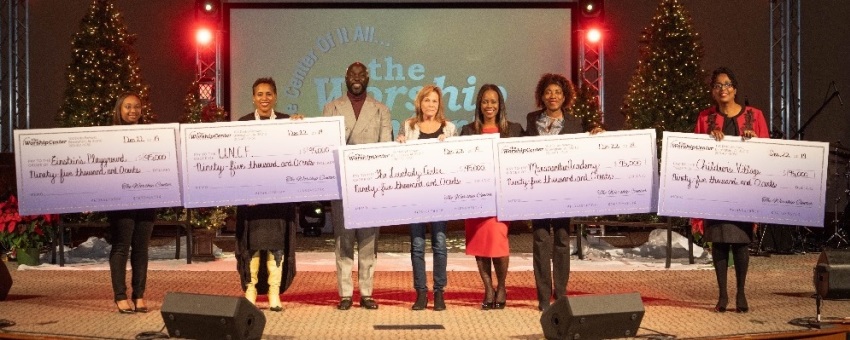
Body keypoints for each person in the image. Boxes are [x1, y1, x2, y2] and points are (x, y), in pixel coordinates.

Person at [524, 73, 604, 311]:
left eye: (557, 92)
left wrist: (596, 135)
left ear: (565, 96)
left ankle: (560, 295)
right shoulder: (531, 120)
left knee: (560, 240)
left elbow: (585, 150)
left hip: (564, 191)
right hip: (537, 189)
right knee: (540, 241)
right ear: (542, 95)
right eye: (548, 92)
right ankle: (542, 297)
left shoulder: (575, 123)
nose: (553, 96)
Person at [694, 66, 768, 313]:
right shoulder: (705, 118)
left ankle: (741, 293)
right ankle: (723, 295)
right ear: (712, 92)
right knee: (719, 242)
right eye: (717, 85)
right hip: (716, 192)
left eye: (727, 85)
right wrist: (707, 138)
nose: (722, 89)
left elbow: (768, 151)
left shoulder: (754, 116)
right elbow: (696, 150)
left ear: (735, 89)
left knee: (740, 242)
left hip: (743, 191)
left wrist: (754, 140)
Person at [323, 62, 392, 310]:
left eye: (361, 74)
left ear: (368, 78)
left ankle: (366, 292)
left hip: (370, 186)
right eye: (352, 74)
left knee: (368, 240)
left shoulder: (381, 110)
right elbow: (324, 147)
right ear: (345, 77)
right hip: (342, 184)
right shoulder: (331, 108)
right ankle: (344, 294)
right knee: (343, 240)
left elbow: (385, 148)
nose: (356, 78)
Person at [235, 77, 301, 312]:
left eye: (268, 94)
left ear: (275, 96)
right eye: (260, 94)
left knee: (276, 245)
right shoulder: (241, 124)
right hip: (251, 199)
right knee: (252, 245)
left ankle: (274, 293)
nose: (264, 98)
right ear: (253, 98)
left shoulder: (286, 121)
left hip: (278, 198)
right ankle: (251, 290)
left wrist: (300, 128)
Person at [460, 84, 523, 310]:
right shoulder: (468, 131)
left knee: (498, 242)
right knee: (480, 243)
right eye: (485, 101)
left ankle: (502, 286)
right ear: (479, 104)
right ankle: (488, 289)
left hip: (501, 198)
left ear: (500, 105)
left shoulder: (514, 130)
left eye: (493, 101)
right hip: (477, 198)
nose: (489, 106)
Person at [397, 85, 457, 311]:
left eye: (434, 101)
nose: (430, 105)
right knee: (417, 245)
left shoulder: (449, 128)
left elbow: (455, 162)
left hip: (440, 195)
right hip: (416, 196)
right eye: (426, 100)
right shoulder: (408, 127)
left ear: (439, 104)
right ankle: (421, 292)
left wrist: (448, 145)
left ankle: (439, 292)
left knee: (440, 244)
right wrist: (400, 144)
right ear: (419, 103)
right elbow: (401, 161)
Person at [108, 92, 156, 314]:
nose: (133, 111)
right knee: (121, 246)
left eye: (137, 106)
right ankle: (120, 296)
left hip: (147, 197)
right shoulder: (108, 136)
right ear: (119, 109)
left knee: (141, 248)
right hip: (121, 199)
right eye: (128, 107)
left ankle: (139, 295)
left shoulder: (153, 136)